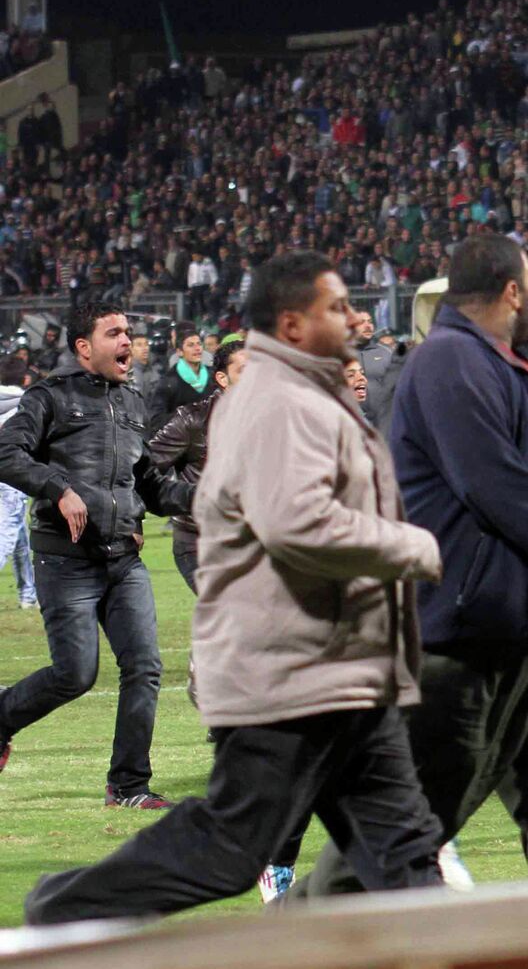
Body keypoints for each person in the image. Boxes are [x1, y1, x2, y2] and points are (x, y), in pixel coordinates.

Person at [20, 253, 446, 924]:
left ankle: (401, 941)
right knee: (230, 847)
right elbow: (297, 525)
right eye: (336, 306)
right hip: (285, 671)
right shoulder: (274, 406)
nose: (354, 317)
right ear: (292, 324)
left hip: (344, 668)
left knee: (404, 851)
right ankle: (65, 910)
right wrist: (418, 547)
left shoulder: (308, 399)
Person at [294, 233, 528, 894]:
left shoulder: (510, 361)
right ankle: (295, 934)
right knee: (404, 836)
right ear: (511, 291)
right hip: (472, 637)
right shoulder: (448, 359)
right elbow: (491, 480)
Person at [0, 301, 192, 805]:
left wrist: (207, 497)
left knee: (144, 668)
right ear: (84, 347)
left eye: (128, 331)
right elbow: (6, 452)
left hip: (123, 560)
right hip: (65, 560)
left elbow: (150, 486)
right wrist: (58, 488)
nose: (127, 341)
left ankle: (128, 785)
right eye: (115, 333)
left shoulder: (133, 403)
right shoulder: (50, 396)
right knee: (75, 674)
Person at [147, 340, 249, 593]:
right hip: (202, 543)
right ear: (223, 379)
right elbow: (143, 469)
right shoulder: (193, 420)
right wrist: (132, 521)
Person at [0, 361, 38, 612]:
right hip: (12, 475)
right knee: (6, 535)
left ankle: (28, 594)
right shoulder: (25, 402)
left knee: (20, 538)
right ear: (25, 379)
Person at [156, 331, 214, 420]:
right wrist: (185, 419)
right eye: (191, 345)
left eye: (199, 344)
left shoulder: (213, 375)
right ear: (179, 352)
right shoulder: (169, 381)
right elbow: (157, 418)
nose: (197, 348)